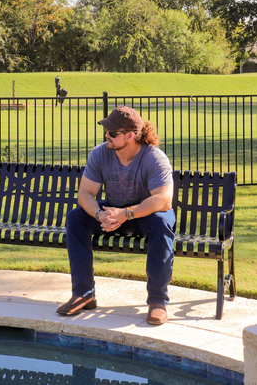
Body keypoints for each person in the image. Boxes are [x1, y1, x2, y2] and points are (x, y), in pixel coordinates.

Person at [57, 105, 175, 325]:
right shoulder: (100, 153)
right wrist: (99, 213)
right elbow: (84, 193)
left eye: (112, 132)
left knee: (162, 221)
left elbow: (163, 200)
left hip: (143, 214)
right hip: (114, 211)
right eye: (106, 131)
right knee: (76, 218)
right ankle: (84, 294)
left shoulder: (154, 158)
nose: (106, 135)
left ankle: (158, 301)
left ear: (130, 135)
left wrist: (127, 214)